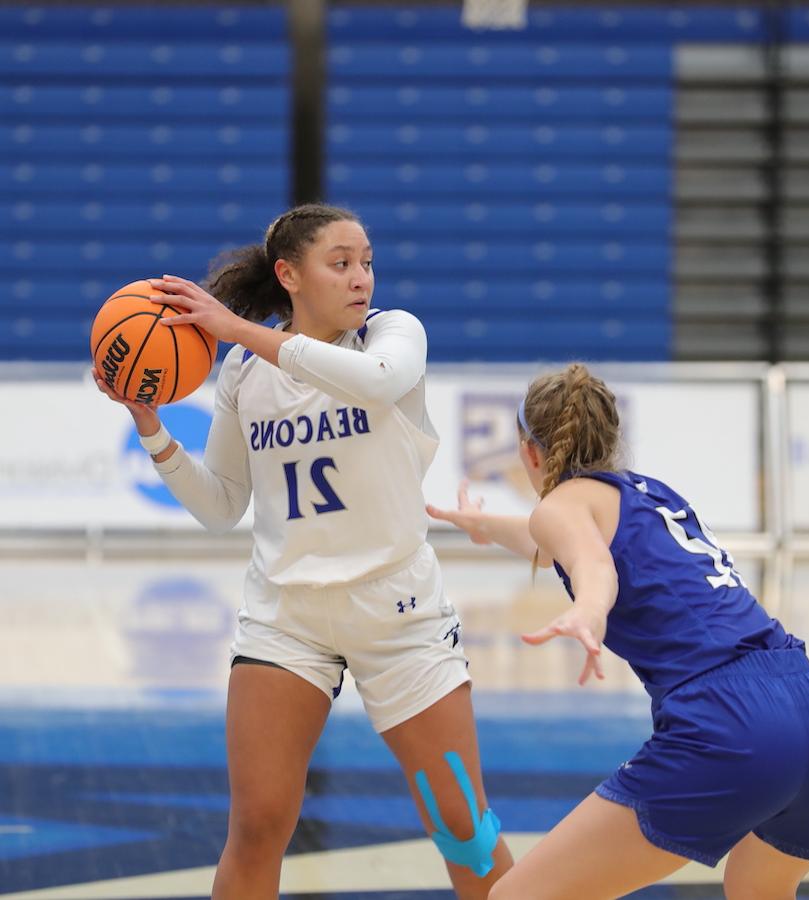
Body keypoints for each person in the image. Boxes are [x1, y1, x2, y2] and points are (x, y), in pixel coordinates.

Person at [92, 203, 513, 900]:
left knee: (461, 826)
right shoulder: (243, 376)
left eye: (367, 262)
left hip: (400, 618)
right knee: (257, 826)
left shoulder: (394, 336)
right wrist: (152, 429)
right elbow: (223, 505)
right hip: (287, 619)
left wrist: (235, 330)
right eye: (341, 263)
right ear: (289, 274)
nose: (361, 279)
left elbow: (377, 382)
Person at [427, 363, 809, 900]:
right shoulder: (652, 495)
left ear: (529, 452)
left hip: (734, 723)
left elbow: (591, 564)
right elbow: (566, 542)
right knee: (756, 890)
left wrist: (588, 609)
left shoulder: (560, 506)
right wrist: (486, 526)